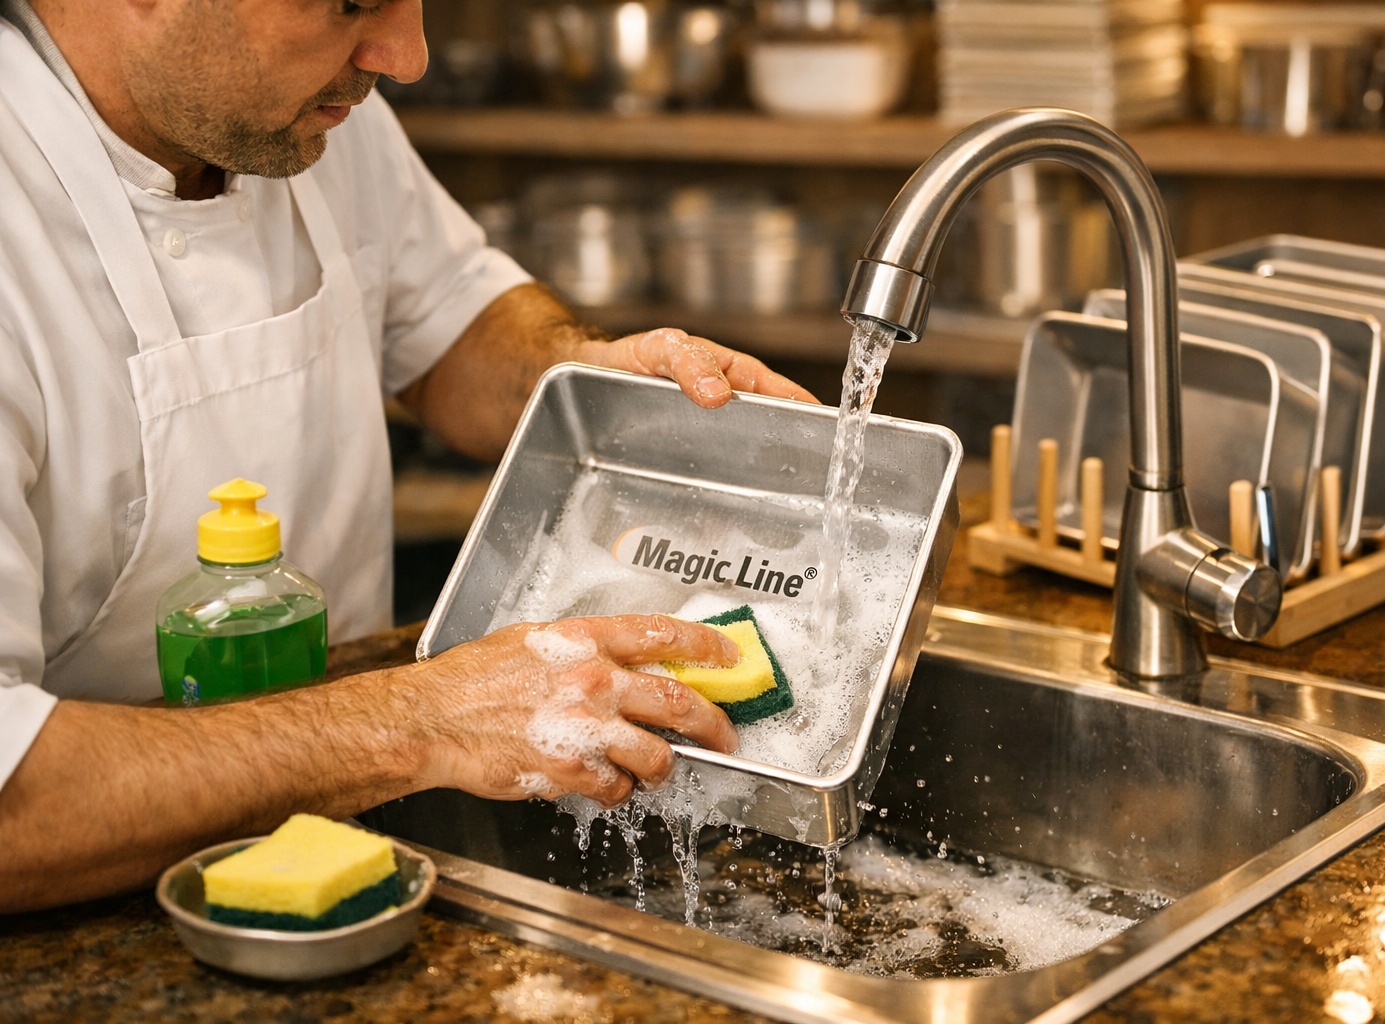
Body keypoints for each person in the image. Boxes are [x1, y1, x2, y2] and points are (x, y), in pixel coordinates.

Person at [0, 0, 817, 914]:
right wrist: (416, 720)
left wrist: (580, 379)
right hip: (100, 910)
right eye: (351, 4)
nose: (406, 56)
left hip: (344, 848)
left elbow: (446, 315)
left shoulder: (311, 107)